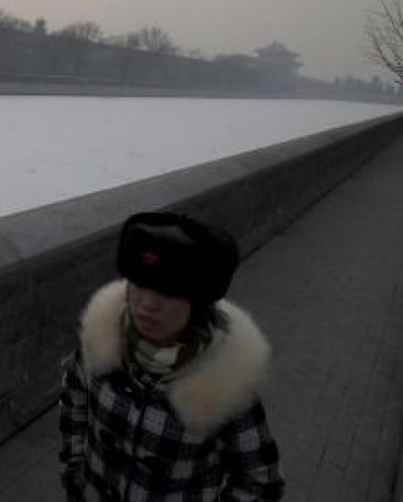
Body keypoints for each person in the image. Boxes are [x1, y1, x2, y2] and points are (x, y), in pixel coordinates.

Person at [59, 212, 284, 501]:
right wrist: (75, 471)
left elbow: (261, 483)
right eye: (139, 284)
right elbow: (74, 398)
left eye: (169, 291)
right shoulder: (102, 341)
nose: (147, 304)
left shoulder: (228, 381)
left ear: (197, 302)